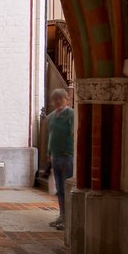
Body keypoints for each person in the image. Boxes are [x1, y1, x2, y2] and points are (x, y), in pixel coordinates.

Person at [47, 88, 74, 230]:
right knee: (60, 189)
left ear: (67, 100)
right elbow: (51, 136)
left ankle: (68, 218)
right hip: (56, 157)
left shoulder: (71, 115)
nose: (57, 101)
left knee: (67, 188)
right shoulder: (51, 116)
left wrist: (69, 151)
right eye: (55, 99)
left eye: (61, 99)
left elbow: (74, 134)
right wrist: (49, 152)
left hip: (67, 157)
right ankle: (62, 214)